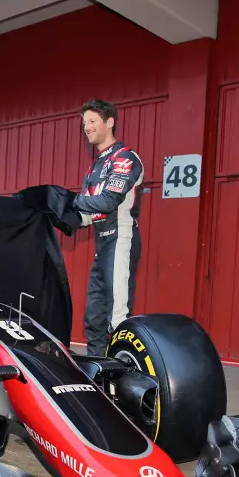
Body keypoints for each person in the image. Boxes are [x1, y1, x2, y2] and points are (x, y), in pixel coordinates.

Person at [72, 99, 145, 357]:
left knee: (118, 319)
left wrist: (67, 200)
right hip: (101, 246)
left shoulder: (125, 157)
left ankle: (123, 378)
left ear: (109, 122)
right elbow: (85, 214)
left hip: (121, 240)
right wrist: (53, 213)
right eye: (84, 124)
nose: (87, 128)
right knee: (94, 319)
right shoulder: (94, 167)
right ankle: (97, 378)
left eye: (92, 121)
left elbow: (108, 200)